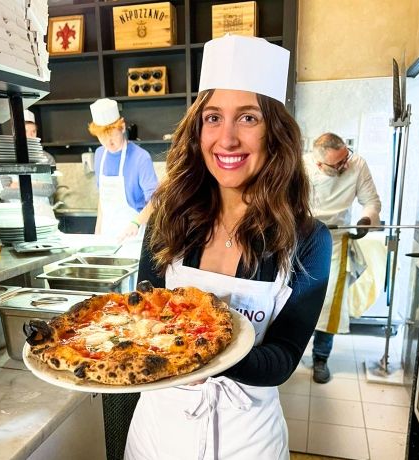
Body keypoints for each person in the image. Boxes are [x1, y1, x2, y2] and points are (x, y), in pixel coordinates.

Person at [123, 34, 332, 460]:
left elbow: (284, 356)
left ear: (275, 133)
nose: (227, 139)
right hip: (158, 431)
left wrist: (196, 354)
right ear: (197, 128)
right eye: (213, 117)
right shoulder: (168, 219)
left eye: (249, 119)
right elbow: (144, 313)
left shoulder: (309, 239)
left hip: (249, 438)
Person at [303, 132, 381, 384]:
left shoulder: (357, 165)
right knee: (296, 300)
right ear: (319, 164)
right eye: (338, 164)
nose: (344, 165)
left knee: (329, 305)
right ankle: (291, 353)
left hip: (337, 240)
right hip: (302, 238)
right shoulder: (301, 166)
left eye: (345, 158)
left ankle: (321, 358)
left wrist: (365, 221)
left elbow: (371, 202)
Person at [88, 98, 158, 241]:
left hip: (133, 235)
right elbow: (103, 198)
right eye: (102, 137)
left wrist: (135, 223)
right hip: (106, 234)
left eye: (112, 135)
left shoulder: (141, 158)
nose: (108, 142)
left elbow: (155, 200)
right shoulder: (100, 154)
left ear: (122, 127)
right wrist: (97, 232)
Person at [0, 110, 57, 219]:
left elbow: (49, 190)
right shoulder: (5, 158)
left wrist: (16, 184)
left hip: (43, 215)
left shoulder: (47, 158)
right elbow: (4, 193)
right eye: (25, 131)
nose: (30, 136)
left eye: (33, 131)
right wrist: (37, 184)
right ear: (16, 133)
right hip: (13, 215)